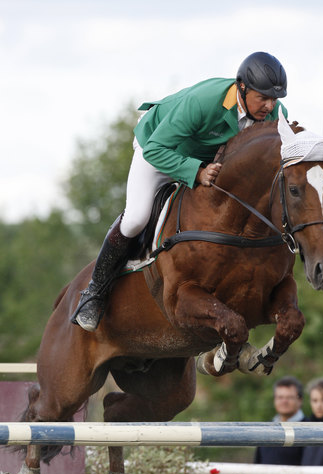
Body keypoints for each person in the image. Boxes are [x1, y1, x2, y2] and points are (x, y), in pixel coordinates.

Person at [71, 52, 288, 332]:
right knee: (137, 217)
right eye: (263, 98)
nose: (269, 105)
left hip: (207, 160)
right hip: (161, 149)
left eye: (275, 98)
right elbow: (156, 149)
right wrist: (196, 172)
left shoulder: (275, 114)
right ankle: (95, 292)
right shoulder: (204, 102)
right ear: (241, 88)